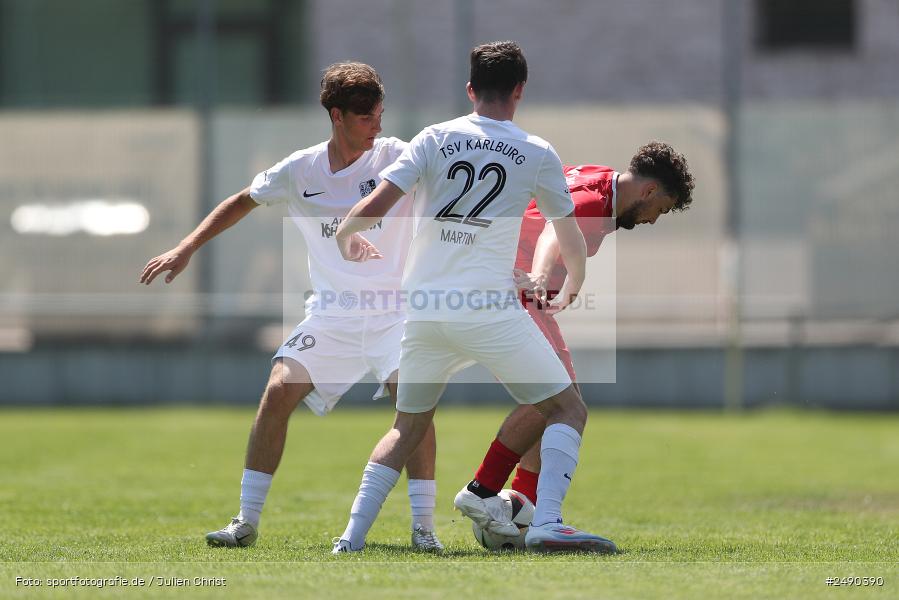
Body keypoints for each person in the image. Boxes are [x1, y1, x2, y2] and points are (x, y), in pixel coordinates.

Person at [138, 62, 444, 552]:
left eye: (380, 114)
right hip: (332, 313)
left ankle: (424, 528)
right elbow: (242, 200)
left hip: (397, 312)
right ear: (336, 115)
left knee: (412, 404)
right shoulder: (300, 169)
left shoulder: (398, 157)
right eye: (365, 116)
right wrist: (186, 246)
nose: (376, 125)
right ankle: (245, 520)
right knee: (278, 391)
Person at [331, 40, 615, 553]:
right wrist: (573, 283)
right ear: (519, 90)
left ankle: (350, 538)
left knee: (406, 427)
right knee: (567, 408)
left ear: (470, 89)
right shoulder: (536, 151)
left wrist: (345, 235)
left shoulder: (433, 137)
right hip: (488, 309)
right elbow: (567, 234)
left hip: (424, 311)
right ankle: (548, 522)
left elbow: (377, 203)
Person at [460, 143, 695, 517]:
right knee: (557, 400)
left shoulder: (599, 177)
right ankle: (483, 490)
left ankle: (524, 505)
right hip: (512, 289)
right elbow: (554, 231)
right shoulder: (594, 203)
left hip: (517, 292)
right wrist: (540, 275)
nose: (653, 220)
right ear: (650, 190)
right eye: (661, 209)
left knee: (563, 403)